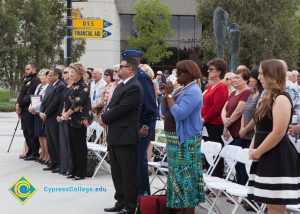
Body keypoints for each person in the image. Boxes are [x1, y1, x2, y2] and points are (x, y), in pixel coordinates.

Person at [248, 59, 300, 213]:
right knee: (270, 204)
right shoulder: (266, 97)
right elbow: (260, 128)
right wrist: (253, 148)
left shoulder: (282, 98)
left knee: (277, 206)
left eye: (262, 74)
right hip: (266, 153)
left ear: (271, 75)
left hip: (278, 155)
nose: (259, 77)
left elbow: (278, 132)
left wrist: (258, 151)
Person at [100, 57, 143, 214]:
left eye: (121, 67)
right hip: (116, 134)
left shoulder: (134, 87)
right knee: (117, 172)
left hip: (126, 135)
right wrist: (106, 115)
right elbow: (112, 105)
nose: (118, 69)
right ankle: (120, 200)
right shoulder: (121, 85)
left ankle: (130, 206)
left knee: (127, 173)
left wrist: (104, 118)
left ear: (130, 69)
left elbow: (122, 108)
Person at [160, 60, 204, 214]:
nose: (176, 75)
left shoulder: (194, 91)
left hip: (186, 142)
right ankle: (178, 209)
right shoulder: (182, 89)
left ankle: (187, 210)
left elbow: (179, 113)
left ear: (190, 74)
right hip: (175, 142)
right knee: (177, 177)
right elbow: (165, 111)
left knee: (186, 178)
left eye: (180, 72)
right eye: (176, 72)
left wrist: (170, 95)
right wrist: (166, 94)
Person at [122, 48, 157, 196]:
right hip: (133, 127)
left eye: (125, 62)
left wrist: (144, 126)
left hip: (142, 127)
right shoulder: (134, 77)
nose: (122, 65)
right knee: (132, 162)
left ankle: (143, 195)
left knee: (138, 162)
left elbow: (150, 106)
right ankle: (132, 196)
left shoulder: (142, 78)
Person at [221, 66, 252, 185]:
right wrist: (225, 123)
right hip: (229, 129)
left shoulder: (247, 92)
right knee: (234, 161)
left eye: (237, 78)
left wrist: (227, 124)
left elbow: (239, 111)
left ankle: (242, 188)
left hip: (239, 132)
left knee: (240, 163)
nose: (234, 80)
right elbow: (225, 108)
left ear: (245, 80)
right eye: (233, 78)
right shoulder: (233, 92)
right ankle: (238, 186)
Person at [61, 63, 91, 180]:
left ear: (79, 73)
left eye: (73, 72)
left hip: (79, 120)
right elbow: (67, 101)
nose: (71, 74)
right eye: (70, 72)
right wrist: (65, 114)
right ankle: (74, 170)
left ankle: (81, 172)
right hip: (71, 119)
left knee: (80, 147)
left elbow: (78, 104)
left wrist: (66, 115)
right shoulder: (73, 85)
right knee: (73, 146)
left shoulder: (83, 85)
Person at [201, 58, 228, 178]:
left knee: (216, 153)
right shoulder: (208, 87)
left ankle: (217, 182)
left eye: (211, 69)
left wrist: (204, 119)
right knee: (207, 152)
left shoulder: (221, 87)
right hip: (206, 124)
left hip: (215, 124)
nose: (208, 71)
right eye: (208, 69)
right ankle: (210, 177)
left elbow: (217, 107)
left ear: (219, 71)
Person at [40, 68, 66, 172]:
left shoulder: (60, 86)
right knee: (50, 142)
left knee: (56, 142)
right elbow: (44, 100)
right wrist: (42, 111)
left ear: (57, 76)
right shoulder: (50, 85)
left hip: (53, 117)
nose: (48, 77)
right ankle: (53, 162)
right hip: (47, 118)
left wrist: (46, 113)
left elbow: (55, 103)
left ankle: (59, 164)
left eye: (50, 75)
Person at [16, 63, 41, 160]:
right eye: (25, 69)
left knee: (31, 132)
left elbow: (29, 96)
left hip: (28, 110)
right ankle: (29, 151)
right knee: (26, 132)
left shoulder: (35, 80)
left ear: (33, 69)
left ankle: (35, 153)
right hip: (23, 109)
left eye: (28, 69)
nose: (26, 71)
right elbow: (22, 93)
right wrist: (17, 104)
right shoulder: (27, 79)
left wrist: (20, 104)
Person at [28, 69, 50, 164]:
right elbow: (34, 98)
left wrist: (34, 108)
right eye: (40, 75)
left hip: (42, 112)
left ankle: (47, 155)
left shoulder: (48, 87)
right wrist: (30, 107)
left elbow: (43, 101)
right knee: (39, 135)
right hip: (36, 113)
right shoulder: (39, 86)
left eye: (43, 75)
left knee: (44, 135)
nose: (41, 77)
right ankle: (42, 154)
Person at [56, 67, 73, 175]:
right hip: (63, 118)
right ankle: (64, 167)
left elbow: (74, 105)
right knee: (63, 144)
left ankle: (70, 168)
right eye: (64, 72)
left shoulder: (75, 87)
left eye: (66, 72)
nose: (63, 74)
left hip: (70, 119)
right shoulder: (67, 87)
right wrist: (60, 115)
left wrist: (64, 116)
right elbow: (63, 104)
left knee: (69, 145)